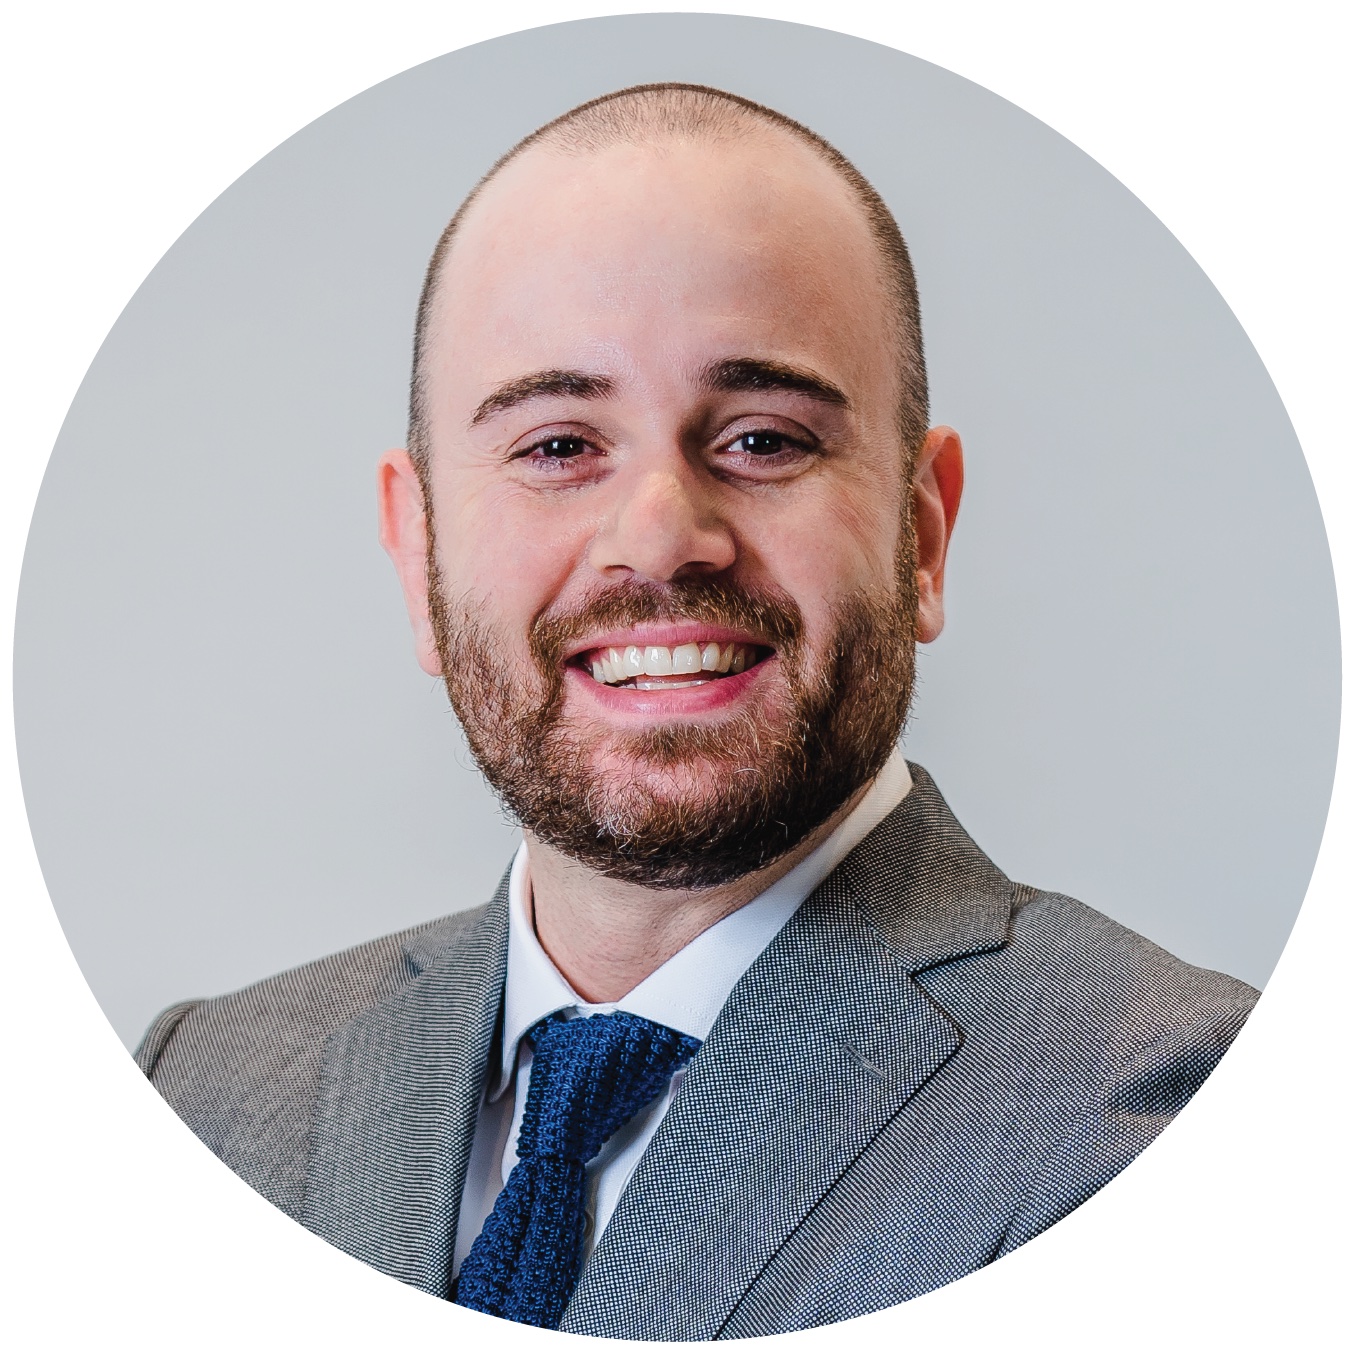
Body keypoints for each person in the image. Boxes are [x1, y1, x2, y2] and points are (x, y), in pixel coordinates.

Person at [135, 83, 1257, 1338]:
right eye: (557, 446)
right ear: (419, 551)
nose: (661, 537)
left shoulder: (1159, 1121)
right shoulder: (202, 1093)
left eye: (763, 439)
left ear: (921, 536)